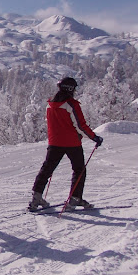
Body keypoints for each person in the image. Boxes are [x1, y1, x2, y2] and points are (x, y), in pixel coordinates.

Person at [28, 77, 103, 211]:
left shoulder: (50, 103)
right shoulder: (71, 104)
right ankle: (75, 198)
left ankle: (36, 197)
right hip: (72, 143)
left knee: (47, 169)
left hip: (54, 142)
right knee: (79, 170)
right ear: (71, 89)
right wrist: (94, 137)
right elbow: (81, 126)